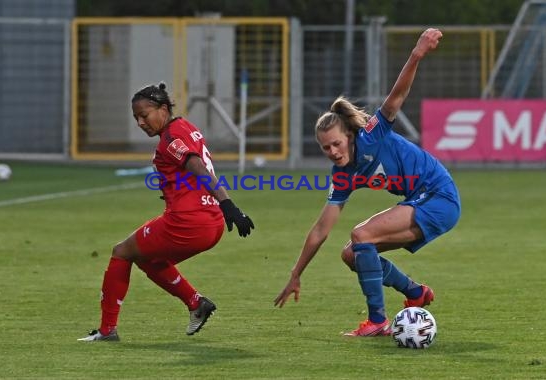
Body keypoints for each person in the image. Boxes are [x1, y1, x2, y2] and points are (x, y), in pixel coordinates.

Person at [274, 28, 460, 337]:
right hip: (419, 201)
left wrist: (417, 54)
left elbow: (396, 97)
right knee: (352, 254)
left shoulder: (371, 134)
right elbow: (321, 229)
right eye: (325, 148)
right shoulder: (343, 175)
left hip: (438, 196)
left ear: (348, 135)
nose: (332, 152)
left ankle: (377, 321)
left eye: (336, 143)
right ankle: (415, 293)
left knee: (362, 235)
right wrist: (296, 274)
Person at [79, 83, 254, 341]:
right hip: (211, 223)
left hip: (187, 222)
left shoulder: (170, 138)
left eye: (144, 115)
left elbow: (196, 166)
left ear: (163, 109)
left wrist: (229, 204)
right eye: (136, 117)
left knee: (121, 252)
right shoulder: (186, 127)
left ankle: (107, 331)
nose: (140, 122)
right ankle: (196, 304)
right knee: (148, 258)